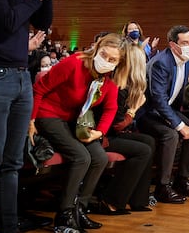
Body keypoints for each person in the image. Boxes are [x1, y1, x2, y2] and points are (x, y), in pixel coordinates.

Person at [0, 0, 62, 232]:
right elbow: (7, 22)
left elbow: (40, 22)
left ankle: (9, 226)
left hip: (20, 77)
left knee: (12, 162)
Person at [29, 33, 129, 232]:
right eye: (104, 55)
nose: (106, 61)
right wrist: (31, 121)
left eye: (113, 60)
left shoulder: (109, 78)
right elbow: (39, 89)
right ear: (97, 48)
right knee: (81, 157)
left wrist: (99, 133)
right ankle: (64, 215)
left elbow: (110, 109)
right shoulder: (74, 63)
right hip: (48, 114)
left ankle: (79, 209)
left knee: (99, 157)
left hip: (73, 121)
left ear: (119, 62)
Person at [137, 25, 189, 204]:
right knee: (171, 135)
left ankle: (182, 181)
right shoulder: (161, 62)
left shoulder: (188, 60)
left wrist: (180, 121)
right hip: (149, 112)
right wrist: (178, 124)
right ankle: (162, 187)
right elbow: (158, 99)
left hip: (168, 109)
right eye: (185, 42)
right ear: (172, 45)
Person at [96, 42, 156, 214]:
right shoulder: (118, 85)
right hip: (103, 137)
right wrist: (133, 110)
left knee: (149, 141)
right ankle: (111, 201)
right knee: (142, 150)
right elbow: (117, 124)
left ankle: (138, 199)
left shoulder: (125, 84)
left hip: (110, 133)